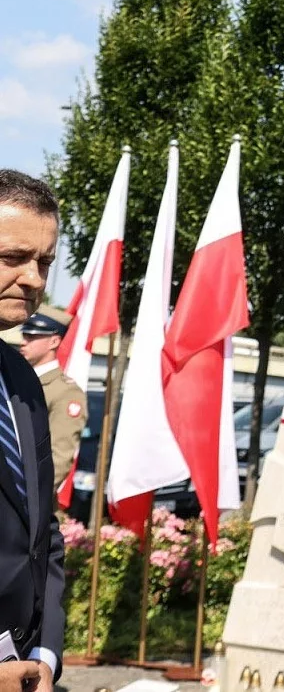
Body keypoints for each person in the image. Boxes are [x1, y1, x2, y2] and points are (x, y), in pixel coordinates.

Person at [0, 170, 68, 691]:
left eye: (44, 261)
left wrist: (43, 654)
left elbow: (43, 537)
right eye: (13, 259)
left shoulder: (21, 378)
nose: (36, 279)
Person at [16, 307, 86, 504]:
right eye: (24, 335)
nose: (23, 342)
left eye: (31, 337)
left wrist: (23, 498)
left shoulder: (66, 392)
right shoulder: (17, 379)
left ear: (54, 342)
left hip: (26, 503)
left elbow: (58, 459)